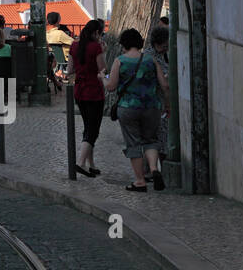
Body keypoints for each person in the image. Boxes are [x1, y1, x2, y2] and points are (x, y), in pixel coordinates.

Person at [105, 27, 170, 192]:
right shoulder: (151, 60)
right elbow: (164, 85)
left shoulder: (120, 61)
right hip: (152, 107)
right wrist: (167, 105)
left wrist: (101, 79)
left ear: (124, 44)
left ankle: (140, 181)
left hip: (128, 108)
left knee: (133, 143)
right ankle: (154, 170)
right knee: (151, 140)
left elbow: (111, 87)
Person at [67, 18, 107, 177]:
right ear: (97, 32)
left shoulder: (74, 45)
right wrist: (103, 51)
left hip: (79, 91)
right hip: (94, 92)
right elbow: (103, 70)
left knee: (88, 126)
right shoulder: (96, 47)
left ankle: (91, 164)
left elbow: (69, 70)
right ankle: (81, 163)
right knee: (93, 130)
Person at [148, 24, 171, 169]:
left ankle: (154, 170)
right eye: (164, 45)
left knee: (162, 138)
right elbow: (163, 83)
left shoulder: (164, 55)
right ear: (156, 44)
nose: (166, 48)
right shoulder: (150, 57)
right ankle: (152, 170)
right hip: (155, 103)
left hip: (160, 102)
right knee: (156, 138)